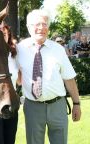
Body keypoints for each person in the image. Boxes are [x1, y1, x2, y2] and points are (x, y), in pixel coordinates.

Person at [16, 9, 81, 144]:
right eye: (37, 24)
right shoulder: (18, 50)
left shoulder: (58, 49)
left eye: (45, 24)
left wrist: (76, 103)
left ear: (48, 28)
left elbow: (69, 78)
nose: (41, 28)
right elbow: (13, 77)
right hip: (32, 107)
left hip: (58, 106)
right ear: (29, 27)